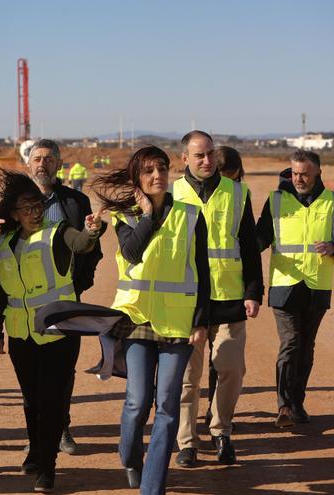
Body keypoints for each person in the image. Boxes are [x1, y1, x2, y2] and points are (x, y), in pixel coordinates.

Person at [93, 145, 209, 494]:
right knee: (137, 400)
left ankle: (152, 486)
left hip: (177, 322)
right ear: (137, 179)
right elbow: (131, 252)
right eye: (148, 171)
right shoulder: (125, 216)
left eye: (161, 168)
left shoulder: (191, 215)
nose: (157, 175)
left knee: (168, 406)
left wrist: (201, 321)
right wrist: (146, 215)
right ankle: (130, 457)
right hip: (136, 319)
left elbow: (202, 272)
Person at [0, 170, 105, 492]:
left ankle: (46, 467)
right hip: (22, 332)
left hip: (59, 330)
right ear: (13, 213)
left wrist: (92, 229)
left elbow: (81, 243)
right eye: (27, 208)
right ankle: (36, 451)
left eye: (38, 206)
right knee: (31, 399)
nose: (35, 213)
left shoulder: (58, 231)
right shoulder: (6, 241)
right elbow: (3, 289)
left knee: (51, 399)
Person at [172, 131, 262, 468]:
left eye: (210, 154)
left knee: (231, 369)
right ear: (185, 159)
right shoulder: (171, 195)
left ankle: (221, 431)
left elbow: (249, 246)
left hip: (229, 297)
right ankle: (186, 443)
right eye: (199, 156)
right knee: (187, 378)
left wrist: (253, 292)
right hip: (186, 301)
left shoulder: (238, 193)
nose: (207, 161)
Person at [24, 139, 104, 454]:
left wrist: (81, 281)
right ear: (28, 164)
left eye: (48, 159)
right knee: (31, 368)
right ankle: (36, 433)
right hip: (26, 300)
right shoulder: (16, 201)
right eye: (36, 159)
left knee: (62, 368)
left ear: (59, 165)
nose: (42, 164)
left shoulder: (75, 201)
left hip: (66, 297)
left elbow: (90, 247)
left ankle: (61, 427)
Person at [256, 150, 334, 427]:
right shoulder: (276, 200)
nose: (298, 178)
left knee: (306, 347)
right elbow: (261, 236)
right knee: (290, 344)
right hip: (284, 284)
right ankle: (285, 407)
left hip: (317, 285)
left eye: (304, 174)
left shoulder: (331, 202)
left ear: (317, 174)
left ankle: (297, 403)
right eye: (294, 173)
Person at [202, 145, 247, 425]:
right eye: (225, 174)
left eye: (234, 174)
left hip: (230, 290)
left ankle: (214, 410)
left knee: (222, 360)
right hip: (195, 293)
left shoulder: (241, 195)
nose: (230, 179)